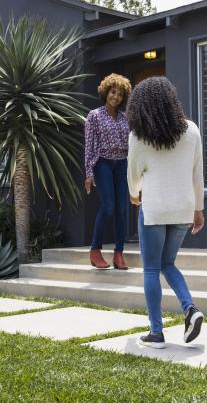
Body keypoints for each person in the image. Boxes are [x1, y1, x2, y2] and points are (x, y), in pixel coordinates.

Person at [127, 76, 205, 349]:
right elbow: (198, 175)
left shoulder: (138, 137)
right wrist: (199, 209)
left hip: (155, 210)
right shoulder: (192, 130)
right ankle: (190, 308)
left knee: (151, 268)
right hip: (183, 208)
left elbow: (133, 176)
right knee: (167, 264)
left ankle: (156, 332)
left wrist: (135, 196)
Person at [84, 73, 132, 270]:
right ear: (106, 92)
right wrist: (89, 172)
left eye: (120, 94)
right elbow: (89, 145)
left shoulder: (125, 118)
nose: (116, 97)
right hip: (102, 162)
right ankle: (95, 250)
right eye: (113, 92)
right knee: (108, 206)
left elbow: (131, 143)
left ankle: (119, 254)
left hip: (122, 163)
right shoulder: (94, 116)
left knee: (122, 209)